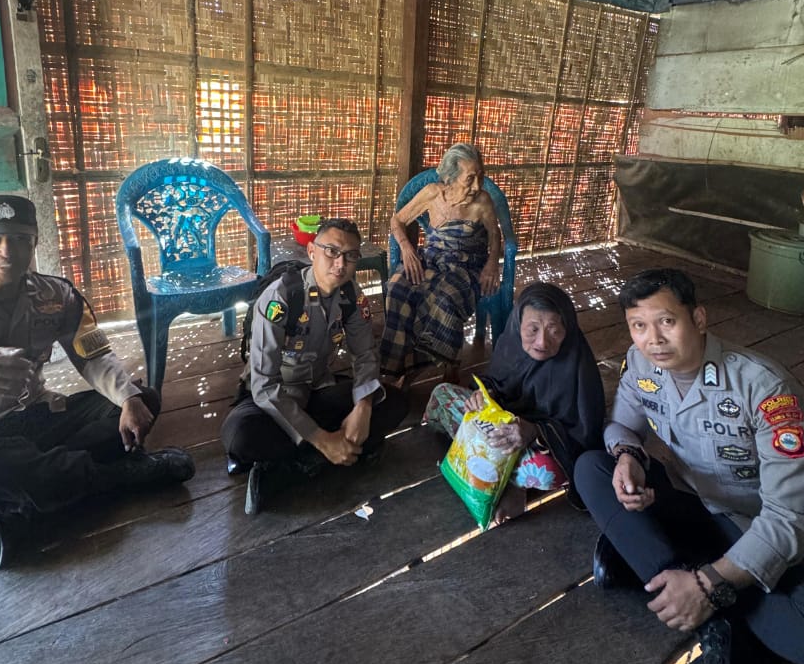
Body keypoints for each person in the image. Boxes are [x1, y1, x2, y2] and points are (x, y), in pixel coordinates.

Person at [574, 267, 804, 664]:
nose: (653, 339)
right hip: (696, 508)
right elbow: (622, 426)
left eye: (666, 321)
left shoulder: (765, 390)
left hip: (757, 530)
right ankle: (713, 615)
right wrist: (628, 455)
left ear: (699, 318)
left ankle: (686, 583)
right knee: (592, 468)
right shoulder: (641, 365)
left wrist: (709, 584)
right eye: (639, 326)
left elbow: (790, 518)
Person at [0, 195, 194, 573]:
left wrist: (127, 397)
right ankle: (117, 478)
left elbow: (93, 354)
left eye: (20, 239)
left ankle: (22, 515)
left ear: (35, 243)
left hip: (36, 421)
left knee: (143, 400)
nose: (7, 250)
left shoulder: (56, 294)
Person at [221, 218, 408, 514]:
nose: (340, 263)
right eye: (331, 251)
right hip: (275, 398)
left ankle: (291, 466)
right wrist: (320, 438)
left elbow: (365, 356)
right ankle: (327, 453)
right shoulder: (282, 297)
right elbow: (264, 385)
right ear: (311, 252)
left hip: (319, 389)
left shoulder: (351, 297)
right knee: (240, 435)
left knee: (395, 402)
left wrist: (363, 407)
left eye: (350, 255)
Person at [425, 282, 605, 523]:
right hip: (502, 428)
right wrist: (484, 395)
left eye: (554, 331)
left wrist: (533, 431)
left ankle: (513, 483)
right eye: (533, 329)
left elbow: (582, 433)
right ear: (517, 324)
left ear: (568, 329)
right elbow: (496, 382)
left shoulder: (578, 366)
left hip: (537, 446)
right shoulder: (510, 344)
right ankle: (492, 466)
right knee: (442, 394)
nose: (542, 342)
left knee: (545, 471)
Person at [380, 144, 502, 385]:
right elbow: (397, 220)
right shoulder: (432, 193)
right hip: (432, 259)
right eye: (470, 179)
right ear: (450, 178)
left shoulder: (482, 201)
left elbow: (495, 236)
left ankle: (449, 362)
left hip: (466, 266)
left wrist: (491, 264)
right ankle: (399, 365)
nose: (477, 186)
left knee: (446, 297)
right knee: (397, 288)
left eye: (481, 176)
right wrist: (407, 248)